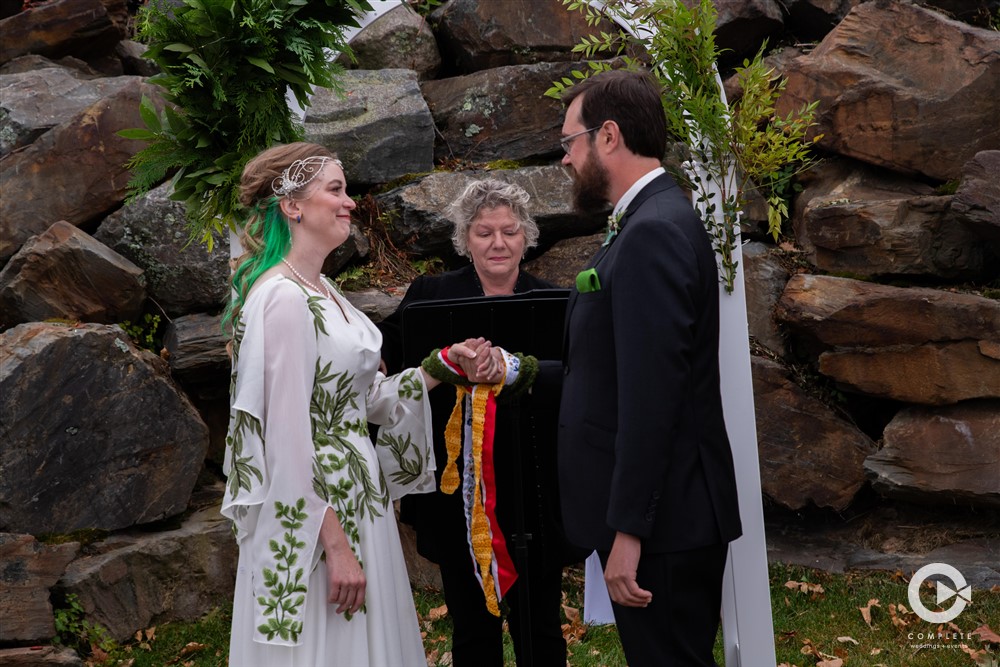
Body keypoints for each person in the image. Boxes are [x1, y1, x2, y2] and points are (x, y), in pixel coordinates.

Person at [220, 142, 501, 666]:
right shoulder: (281, 298)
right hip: (319, 517)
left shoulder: (323, 289)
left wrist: (442, 365)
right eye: (336, 190)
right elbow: (283, 437)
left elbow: (361, 401)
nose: (349, 202)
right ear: (293, 205)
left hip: (359, 503)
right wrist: (334, 544)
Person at [556, 69, 743, 666]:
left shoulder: (651, 232)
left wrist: (629, 533)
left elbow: (652, 397)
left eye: (570, 142)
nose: (565, 159)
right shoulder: (653, 218)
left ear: (607, 136)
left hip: (665, 525)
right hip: (671, 515)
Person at [380, 178, 581, 667]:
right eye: (484, 232)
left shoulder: (555, 302)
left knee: (541, 627)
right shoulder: (431, 294)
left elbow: (578, 379)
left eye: (509, 232)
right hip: (459, 491)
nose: (498, 243)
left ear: (526, 236)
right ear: (465, 239)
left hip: (534, 484)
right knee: (472, 630)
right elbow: (386, 353)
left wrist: (514, 371)